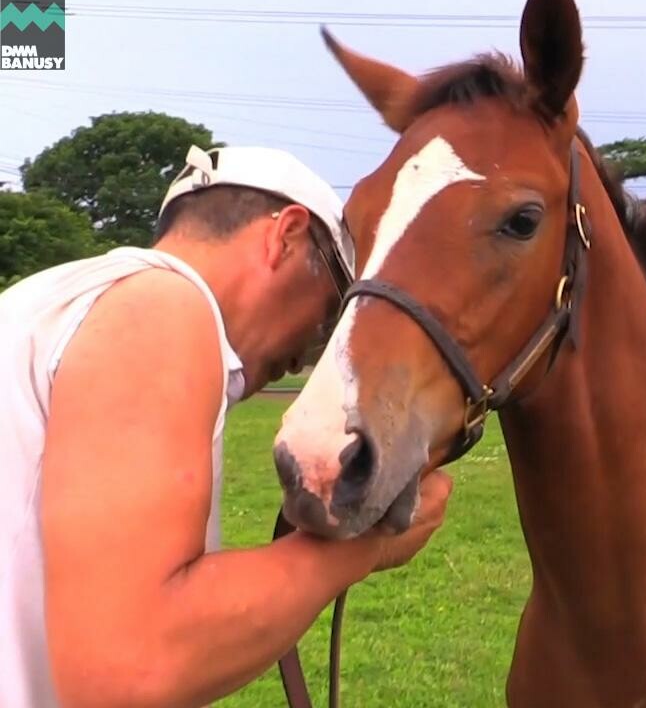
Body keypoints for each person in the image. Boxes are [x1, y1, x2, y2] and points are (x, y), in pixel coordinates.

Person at [0, 145, 454, 707]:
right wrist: (368, 548)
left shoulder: (41, 300)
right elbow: (128, 672)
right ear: (285, 236)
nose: (301, 359)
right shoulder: (162, 308)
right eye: (329, 314)